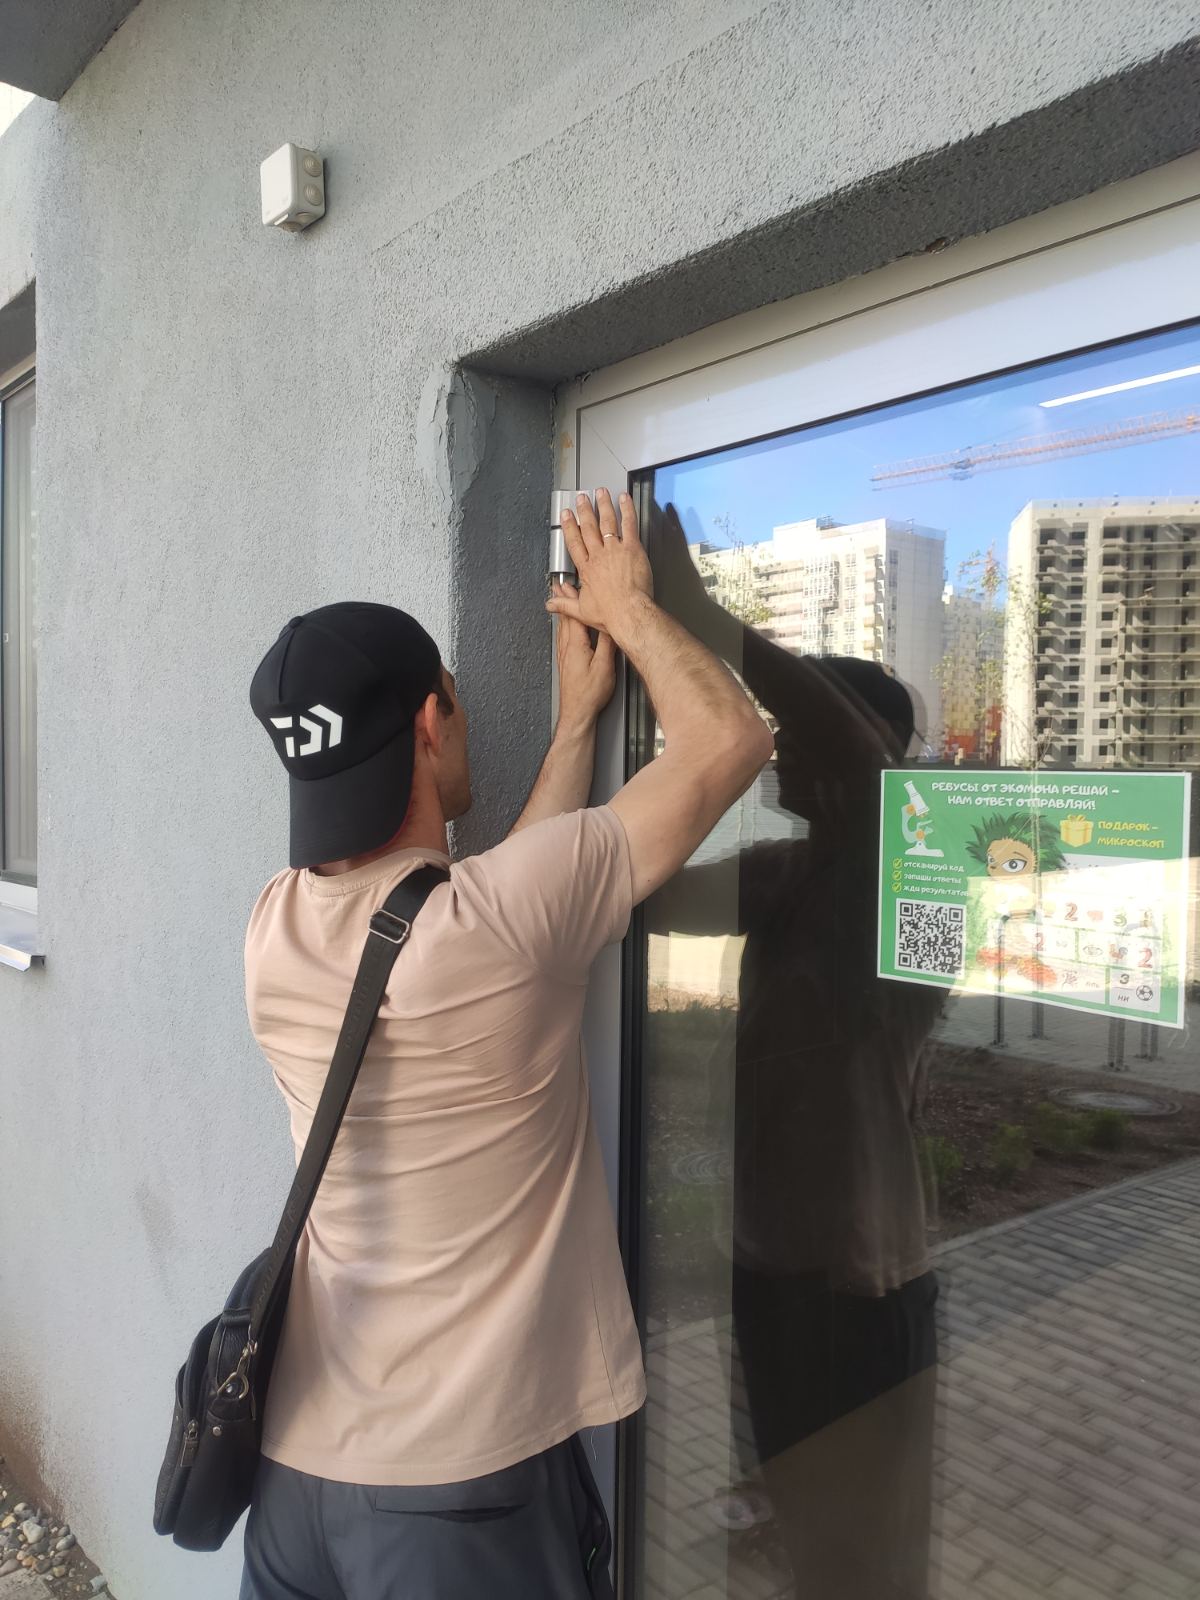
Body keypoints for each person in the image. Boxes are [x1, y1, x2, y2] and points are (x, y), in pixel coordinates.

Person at [239, 488, 773, 1600]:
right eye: (457, 701)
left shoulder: (273, 927)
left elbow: (479, 910)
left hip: (295, 1471)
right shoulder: (498, 924)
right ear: (431, 725)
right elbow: (730, 741)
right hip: (455, 1494)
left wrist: (577, 726)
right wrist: (630, 610)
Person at [650, 509, 942, 1600]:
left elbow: (860, 765)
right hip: (770, 1263)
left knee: (863, 1562)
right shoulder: (791, 873)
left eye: (797, 729)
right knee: (807, 1534)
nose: (778, 742)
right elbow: (641, 889)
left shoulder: (924, 886)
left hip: (858, 1286)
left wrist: (705, 618)